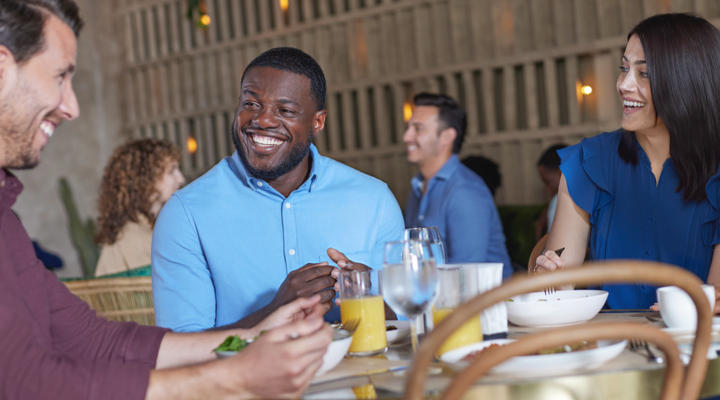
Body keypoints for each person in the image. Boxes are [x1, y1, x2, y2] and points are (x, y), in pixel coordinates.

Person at [0, 1, 332, 398]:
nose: (71, 107)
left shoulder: (7, 222)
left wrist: (255, 334)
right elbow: (22, 383)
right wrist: (232, 377)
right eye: (60, 77)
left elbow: (100, 344)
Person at [151, 47, 404, 332]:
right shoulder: (185, 214)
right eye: (251, 104)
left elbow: (410, 327)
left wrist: (376, 305)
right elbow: (182, 351)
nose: (263, 120)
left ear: (317, 122)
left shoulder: (374, 200)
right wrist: (275, 312)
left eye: (285, 110)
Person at [534, 13, 720, 312]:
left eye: (643, 73)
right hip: (605, 348)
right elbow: (558, 287)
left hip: (693, 345)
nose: (623, 84)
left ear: (687, 82)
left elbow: (715, 297)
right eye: (624, 69)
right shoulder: (589, 162)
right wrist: (551, 279)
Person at [403, 92, 513, 279]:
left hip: (481, 304)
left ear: (447, 137)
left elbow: (465, 274)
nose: (406, 137)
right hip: (432, 300)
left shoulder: (465, 190)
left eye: (418, 129)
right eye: (408, 128)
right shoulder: (418, 186)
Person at [94, 139, 185, 277]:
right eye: (172, 171)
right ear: (148, 178)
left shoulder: (142, 229)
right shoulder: (137, 238)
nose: (181, 179)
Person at [534, 144, 568, 241]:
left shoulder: (558, 200)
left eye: (547, 182)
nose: (548, 190)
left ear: (561, 172)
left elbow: (551, 248)